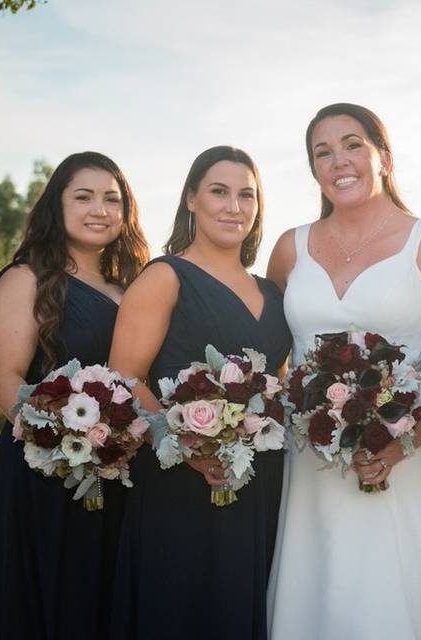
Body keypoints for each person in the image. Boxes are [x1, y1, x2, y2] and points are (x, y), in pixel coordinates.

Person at [266, 103, 421, 639]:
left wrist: (403, 443)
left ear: (383, 156)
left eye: (353, 144)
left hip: (408, 466)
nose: (339, 160)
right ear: (313, 169)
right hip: (313, 470)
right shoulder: (290, 249)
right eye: (323, 152)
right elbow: (272, 358)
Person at [107, 146, 291, 640]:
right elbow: (124, 379)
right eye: (219, 191)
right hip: (184, 486)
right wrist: (189, 447)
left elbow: (281, 384)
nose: (234, 206)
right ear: (191, 199)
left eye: (246, 195)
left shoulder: (273, 292)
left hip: (264, 482)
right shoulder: (165, 276)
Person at [0, 152, 149, 640]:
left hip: (120, 473)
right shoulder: (26, 278)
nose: (100, 209)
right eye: (84, 196)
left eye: (112, 199)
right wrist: (63, 443)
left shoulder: (130, 287)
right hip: (46, 475)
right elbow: (1, 376)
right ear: (58, 205)